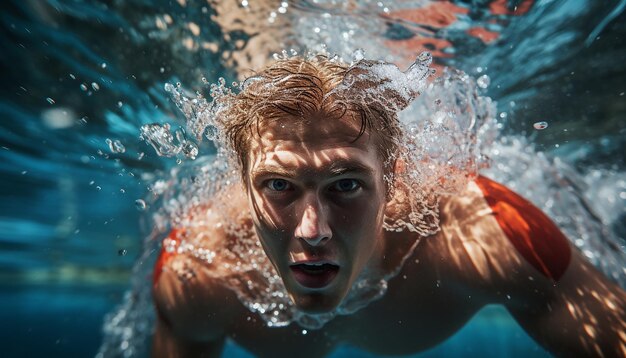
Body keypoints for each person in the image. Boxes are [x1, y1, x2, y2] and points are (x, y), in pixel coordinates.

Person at [151, 55, 626, 357]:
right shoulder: (199, 268)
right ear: (244, 185)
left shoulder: (490, 234)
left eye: (347, 185)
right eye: (278, 184)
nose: (312, 231)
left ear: (393, 181)